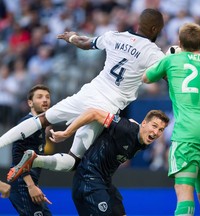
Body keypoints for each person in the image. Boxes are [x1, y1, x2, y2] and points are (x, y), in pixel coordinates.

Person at [0, 8, 165, 180]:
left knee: (42, 119)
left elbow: (85, 43)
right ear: (155, 30)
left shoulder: (115, 36)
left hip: (88, 92)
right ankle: (36, 160)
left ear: (139, 23)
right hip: (104, 108)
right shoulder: (155, 54)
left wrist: (71, 37)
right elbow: (170, 76)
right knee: (73, 160)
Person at [17, 109, 170, 215]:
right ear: (144, 123)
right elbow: (94, 113)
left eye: (161, 130)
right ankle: (34, 160)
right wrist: (66, 133)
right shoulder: (127, 128)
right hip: (88, 179)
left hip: (105, 183)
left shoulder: (143, 143)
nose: (156, 132)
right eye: (154, 126)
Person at [143, 23, 200, 216]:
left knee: (184, 191)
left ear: (179, 42)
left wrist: (169, 56)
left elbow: (146, 78)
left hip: (188, 133)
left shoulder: (172, 60)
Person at [7, 84, 52, 215]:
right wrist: (31, 186)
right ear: (30, 103)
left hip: (30, 184)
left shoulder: (40, 125)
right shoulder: (27, 123)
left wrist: (34, 186)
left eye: (47, 97)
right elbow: (17, 156)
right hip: (22, 184)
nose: (45, 100)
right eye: (40, 97)